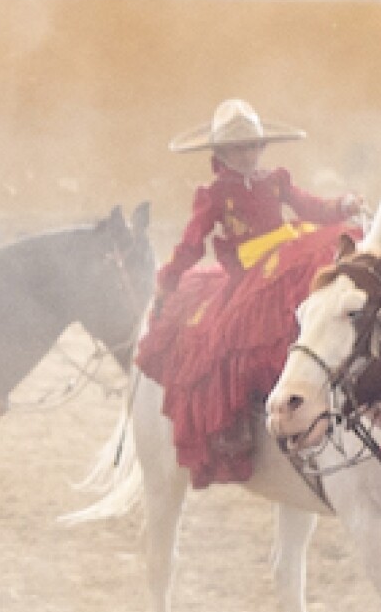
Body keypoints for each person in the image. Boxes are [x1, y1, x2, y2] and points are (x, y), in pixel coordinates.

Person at [136, 99, 363, 487]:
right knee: (233, 338)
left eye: (254, 146)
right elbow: (193, 244)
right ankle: (249, 419)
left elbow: (308, 205)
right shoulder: (213, 195)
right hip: (251, 271)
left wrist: (340, 204)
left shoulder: (275, 180)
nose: (249, 154)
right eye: (239, 148)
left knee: (329, 270)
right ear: (221, 154)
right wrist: (168, 279)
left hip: (289, 252)